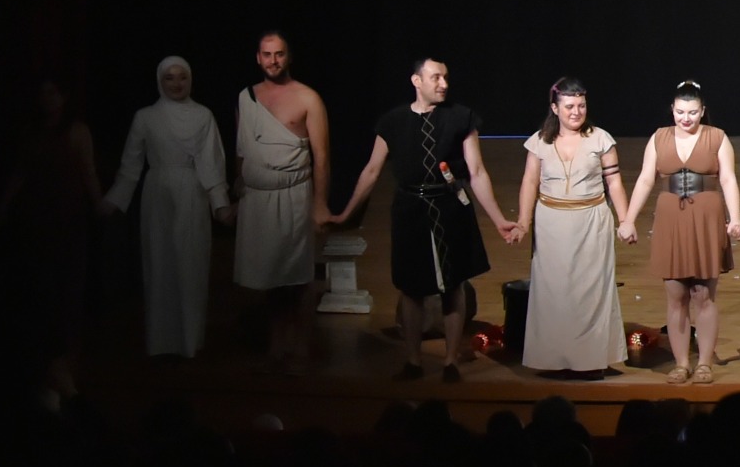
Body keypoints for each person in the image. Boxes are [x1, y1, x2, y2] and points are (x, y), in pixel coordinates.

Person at [327, 56, 517, 382]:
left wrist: (498, 219)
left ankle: (450, 361)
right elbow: (372, 171)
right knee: (411, 287)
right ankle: (413, 360)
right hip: (410, 209)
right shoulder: (393, 121)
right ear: (417, 81)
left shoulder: (461, 118)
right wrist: (347, 213)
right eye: (435, 77)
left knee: (453, 285)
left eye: (445, 77)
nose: (443, 84)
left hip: (450, 208)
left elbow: (476, 172)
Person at [102, 56, 231, 358]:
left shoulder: (203, 116)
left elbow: (211, 164)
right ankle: (161, 342)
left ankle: (189, 341)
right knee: (159, 264)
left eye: (182, 77)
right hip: (157, 194)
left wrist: (220, 204)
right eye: (169, 78)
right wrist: (113, 199)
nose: (176, 83)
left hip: (191, 193)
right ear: (160, 81)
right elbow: (131, 165)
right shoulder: (145, 117)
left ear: (190, 80)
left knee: (190, 263)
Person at [622, 81, 740, 386]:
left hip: (706, 218)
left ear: (702, 111)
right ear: (672, 110)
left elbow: (728, 179)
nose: (685, 118)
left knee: (703, 294)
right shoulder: (659, 137)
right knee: (676, 295)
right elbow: (645, 180)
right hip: (671, 219)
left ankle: (704, 363)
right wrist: (628, 219)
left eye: (691, 112)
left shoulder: (717, 137)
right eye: (680, 112)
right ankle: (681, 363)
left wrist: (735, 218)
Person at [515, 76, 633, 377]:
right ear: (555, 108)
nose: (576, 112)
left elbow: (614, 183)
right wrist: (523, 222)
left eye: (581, 105)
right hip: (551, 223)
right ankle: (554, 359)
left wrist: (625, 220)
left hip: (591, 221)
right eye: (569, 106)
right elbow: (529, 181)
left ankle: (590, 360)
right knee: (554, 292)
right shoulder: (539, 141)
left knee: (590, 291)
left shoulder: (601, 139)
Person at [231, 32, 331, 371]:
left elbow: (322, 157)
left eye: (279, 54)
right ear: (257, 58)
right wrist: (238, 190)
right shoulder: (246, 98)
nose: (273, 61)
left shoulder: (308, 98)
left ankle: (299, 348)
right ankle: (276, 347)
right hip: (258, 198)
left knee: (297, 276)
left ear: (289, 57)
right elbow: (242, 150)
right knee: (271, 277)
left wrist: (319, 204)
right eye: (267, 54)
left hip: (294, 195)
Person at [4, 76, 102, 397]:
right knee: (40, 289)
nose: (47, 98)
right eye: (42, 93)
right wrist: (3, 206)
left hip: (68, 218)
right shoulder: (30, 132)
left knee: (68, 290)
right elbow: (21, 172)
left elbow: (88, 169)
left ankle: (68, 363)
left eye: (52, 92)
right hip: (36, 219)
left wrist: (99, 204)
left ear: (64, 96)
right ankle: (46, 365)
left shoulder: (76, 131)